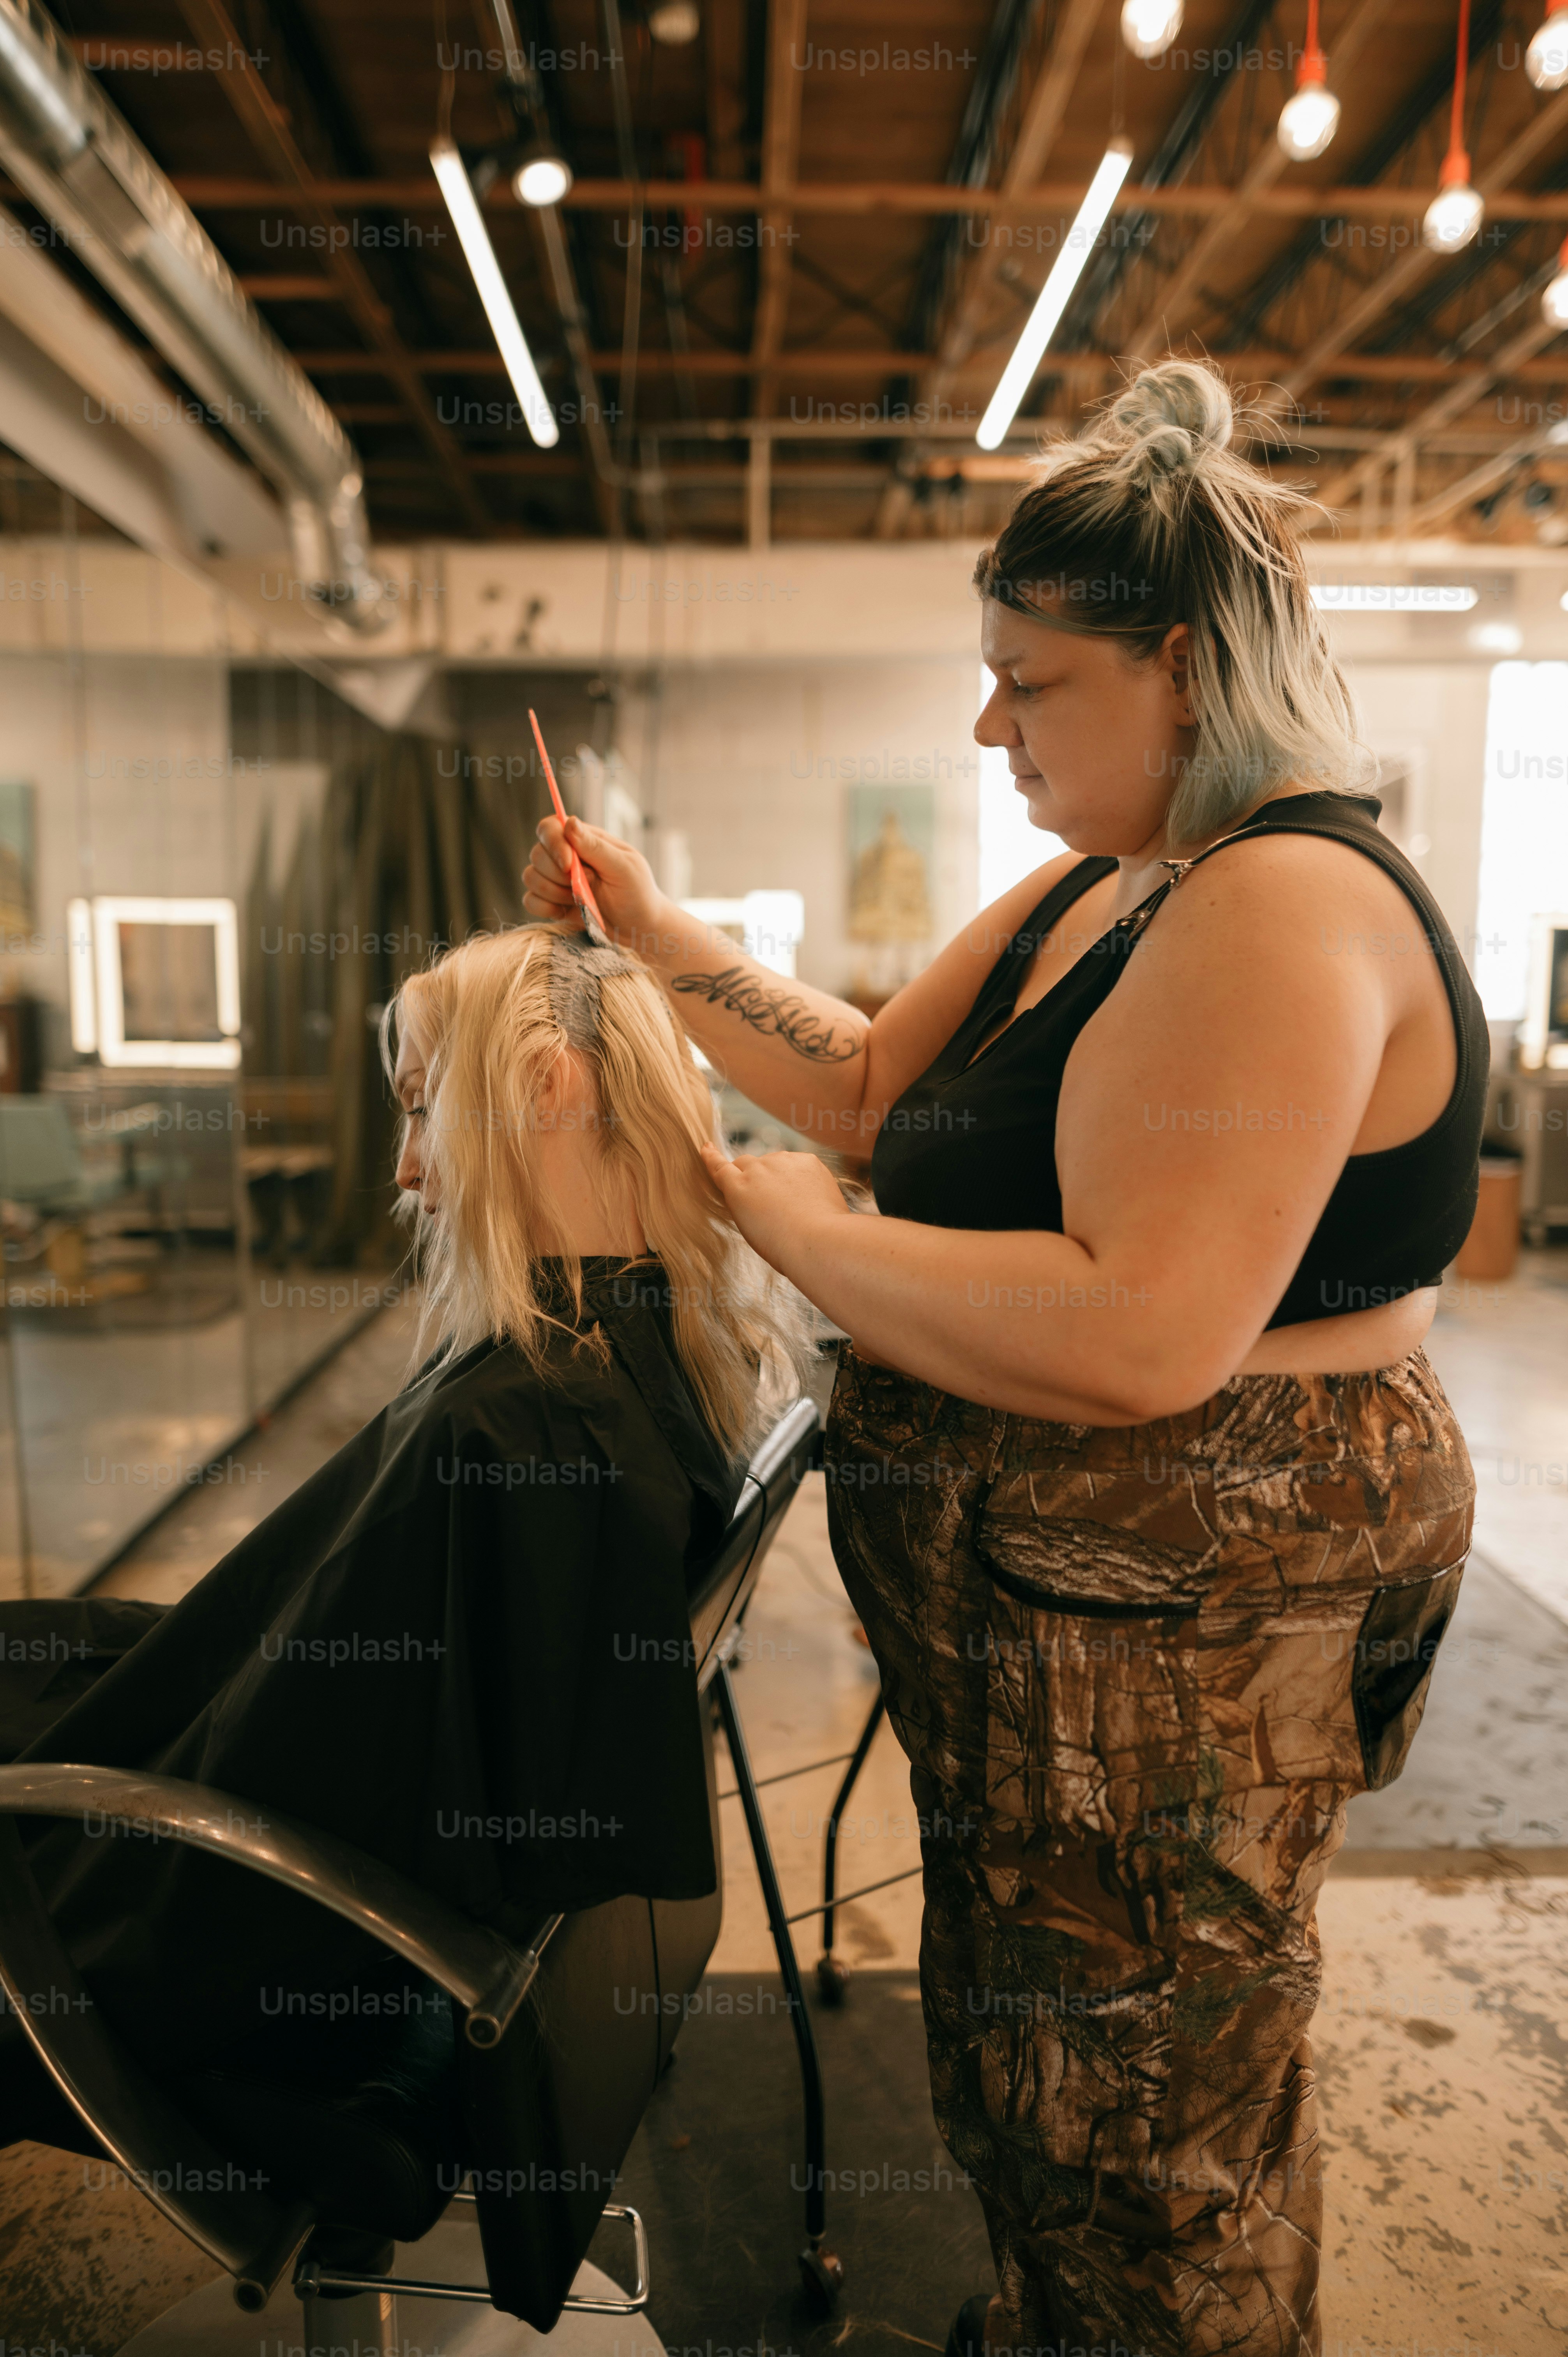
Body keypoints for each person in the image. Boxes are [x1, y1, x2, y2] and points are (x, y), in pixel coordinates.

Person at [522, 359, 1485, 2357]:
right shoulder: (1100, 886)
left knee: (1148, 2109)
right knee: (1045, 2059)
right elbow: (872, 1084)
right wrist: (656, 926)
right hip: (1050, 1635)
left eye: (1030, 684)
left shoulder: (1280, 902)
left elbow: (1143, 1334)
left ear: (1187, 670)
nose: (991, 722)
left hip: (1173, 1648)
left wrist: (764, 1214)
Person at [0, 922, 802, 2128]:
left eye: (424, 1112)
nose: (405, 1171)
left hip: (188, 1957)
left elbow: (313, 1782)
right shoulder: (643, 1361)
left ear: (543, 1088)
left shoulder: (519, 1425)